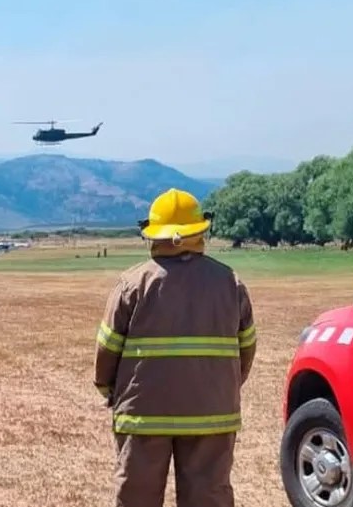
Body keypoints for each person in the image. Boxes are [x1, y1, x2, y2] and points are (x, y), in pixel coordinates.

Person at [94, 187, 257, 507]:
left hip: (143, 416)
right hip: (212, 414)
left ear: (153, 235)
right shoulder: (230, 282)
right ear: (200, 232)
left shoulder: (132, 284)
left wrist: (108, 389)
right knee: (209, 497)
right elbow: (246, 347)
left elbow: (107, 350)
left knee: (137, 497)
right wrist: (223, 386)